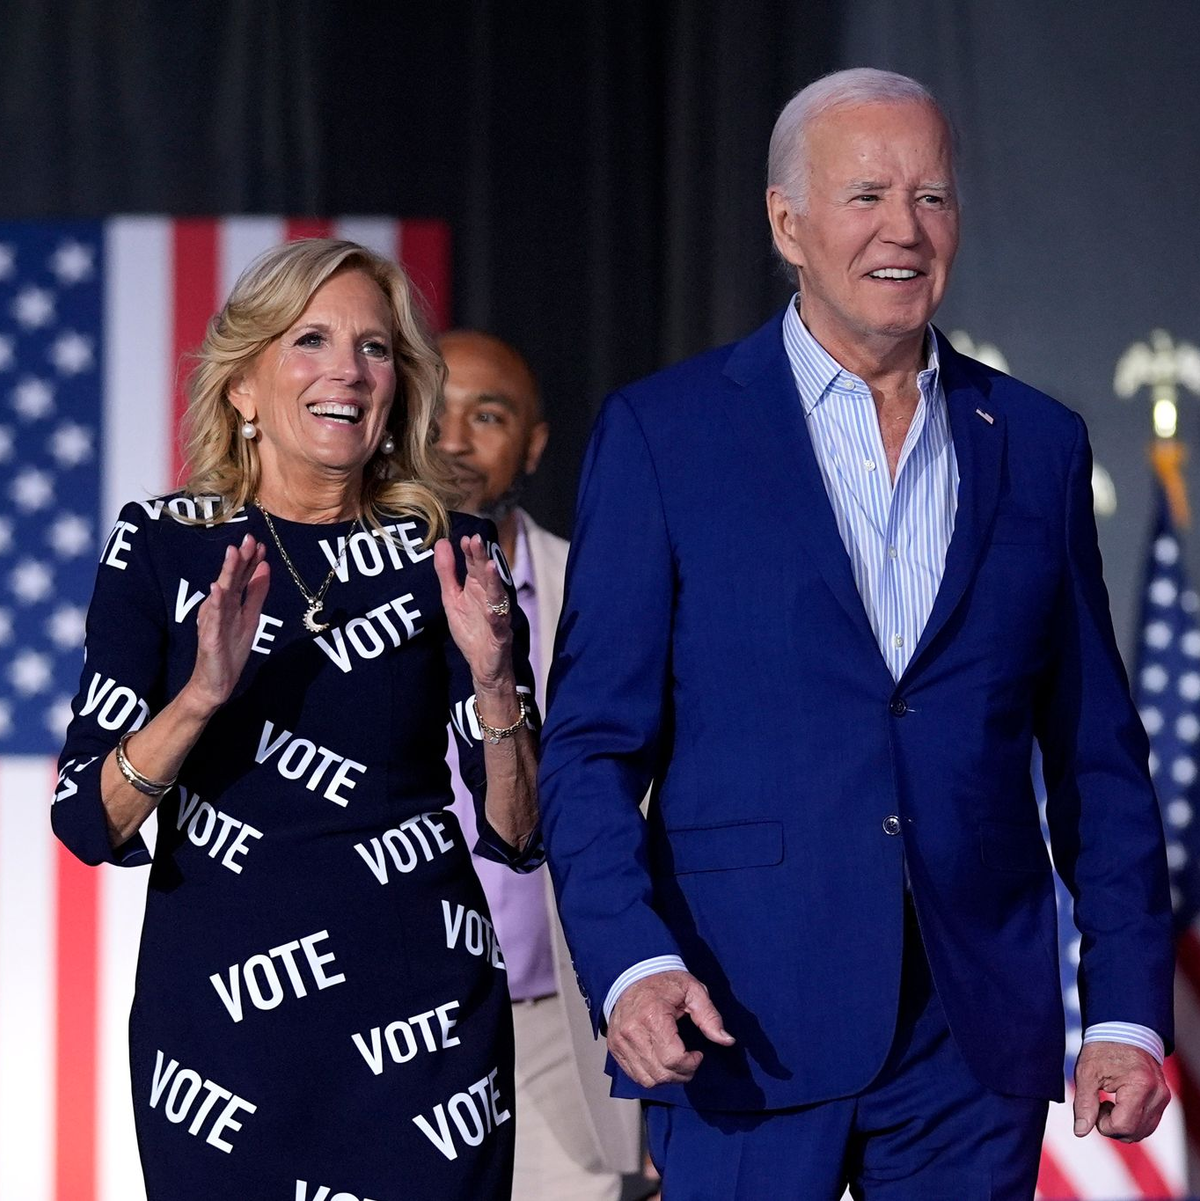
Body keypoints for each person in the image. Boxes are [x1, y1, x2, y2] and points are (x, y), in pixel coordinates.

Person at [538, 68, 1174, 1199]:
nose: (906, 230)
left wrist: (1124, 1004)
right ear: (787, 222)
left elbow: (1098, 759)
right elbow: (589, 748)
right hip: (736, 1020)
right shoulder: (663, 434)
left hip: (969, 1040)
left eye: (932, 198)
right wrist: (633, 964)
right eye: (867, 195)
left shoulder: (1035, 442)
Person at [51, 239, 540, 1199]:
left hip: (426, 1025)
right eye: (310, 340)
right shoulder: (160, 547)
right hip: (226, 1044)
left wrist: (493, 675)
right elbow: (87, 819)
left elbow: (519, 834)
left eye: (375, 348)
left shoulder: (450, 549)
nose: (347, 372)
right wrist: (199, 695)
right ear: (242, 389)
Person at [436, 329, 643, 1200]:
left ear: (534, 442)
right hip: (392, 1013)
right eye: (432, 411)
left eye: (486, 415)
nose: (451, 439)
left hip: (558, 1019)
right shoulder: (330, 590)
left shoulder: (594, 588)